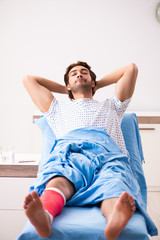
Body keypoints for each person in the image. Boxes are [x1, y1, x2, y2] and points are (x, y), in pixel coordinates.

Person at [23, 61, 138, 240]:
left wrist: (95, 84)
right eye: (74, 74)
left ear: (93, 82)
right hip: (71, 154)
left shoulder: (113, 106)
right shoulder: (56, 109)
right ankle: (44, 216)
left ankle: (115, 218)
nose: (79, 75)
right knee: (59, 181)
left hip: (106, 156)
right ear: (68, 84)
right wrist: (68, 89)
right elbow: (29, 79)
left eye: (84, 73)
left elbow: (130, 69)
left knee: (113, 184)